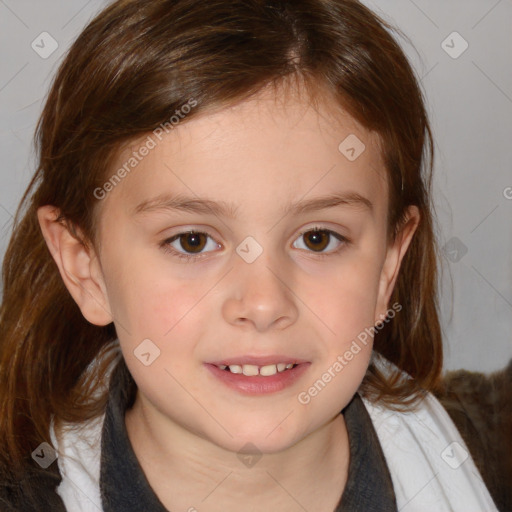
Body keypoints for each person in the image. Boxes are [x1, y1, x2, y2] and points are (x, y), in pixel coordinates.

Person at [0, 0, 499, 510]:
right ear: (85, 267)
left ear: (388, 265)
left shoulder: (489, 455)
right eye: (192, 241)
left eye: (318, 239)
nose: (263, 305)